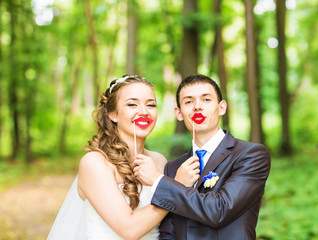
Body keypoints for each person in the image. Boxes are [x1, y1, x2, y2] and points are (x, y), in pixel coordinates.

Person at [48, 75, 200, 240]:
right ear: (113, 114)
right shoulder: (95, 163)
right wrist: (175, 188)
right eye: (132, 104)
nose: (144, 111)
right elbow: (129, 229)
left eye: (151, 104)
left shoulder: (159, 161)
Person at [133, 74, 271, 240]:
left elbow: (219, 210)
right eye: (189, 102)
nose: (197, 107)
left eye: (206, 100)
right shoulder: (173, 167)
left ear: (221, 107)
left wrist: (157, 180)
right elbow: (169, 231)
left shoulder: (250, 155)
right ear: (179, 113)